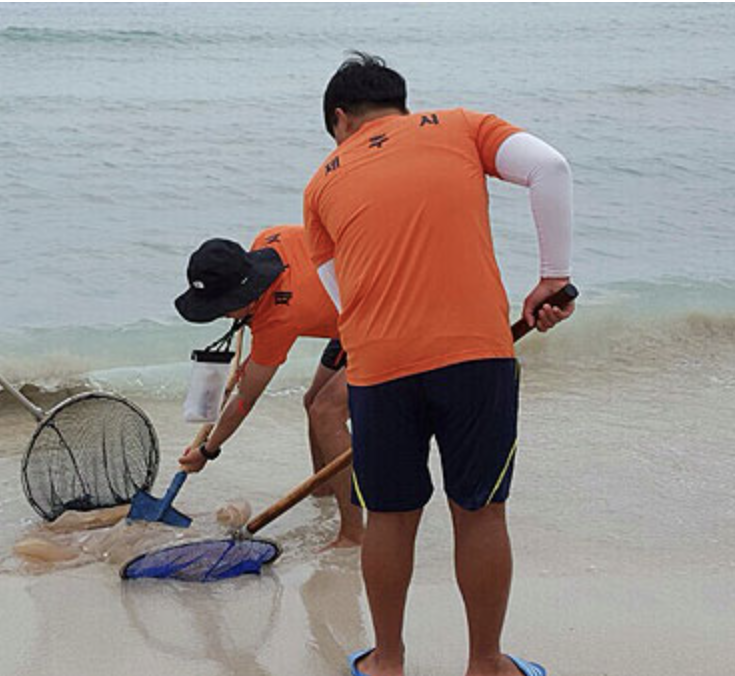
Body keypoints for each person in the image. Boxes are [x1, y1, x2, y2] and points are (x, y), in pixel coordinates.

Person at [303, 53, 574, 676]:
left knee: (389, 517)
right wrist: (553, 279)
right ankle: (485, 663)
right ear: (401, 104)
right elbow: (550, 169)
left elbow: (345, 295)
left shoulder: (319, 184)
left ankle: (387, 661)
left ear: (340, 119)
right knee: (479, 510)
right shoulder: (461, 126)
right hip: (475, 355)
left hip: (379, 367)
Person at [175, 224, 362, 548]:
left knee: (326, 412)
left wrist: (207, 450)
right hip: (349, 311)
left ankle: (354, 532)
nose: (222, 316)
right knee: (312, 401)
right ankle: (324, 489)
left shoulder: (281, 317)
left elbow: (245, 400)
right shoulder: (267, 240)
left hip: (385, 316)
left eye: (223, 307)